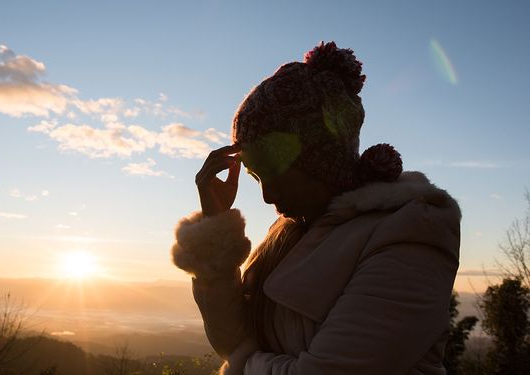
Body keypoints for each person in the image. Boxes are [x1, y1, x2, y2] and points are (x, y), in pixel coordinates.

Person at [171, 41, 460, 375]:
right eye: (255, 175)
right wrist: (215, 225)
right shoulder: (288, 234)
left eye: (274, 171)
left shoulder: (409, 233)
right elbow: (232, 340)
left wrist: (247, 363)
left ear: (320, 160)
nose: (266, 196)